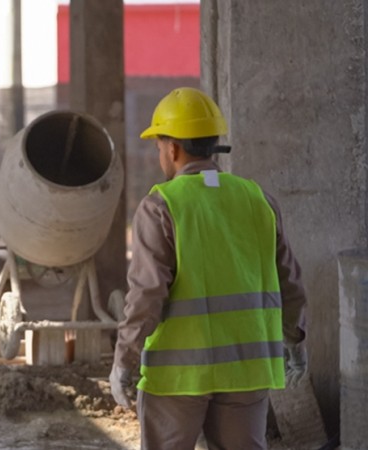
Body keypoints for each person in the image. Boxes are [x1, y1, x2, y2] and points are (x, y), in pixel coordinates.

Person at [108, 87, 308, 450]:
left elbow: (146, 296)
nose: (159, 154)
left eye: (158, 146)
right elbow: (289, 282)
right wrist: (294, 339)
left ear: (172, 148)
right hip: (246, 372)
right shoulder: (257, 199)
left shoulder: (161, 207)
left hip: (177, 378)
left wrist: (125, 359)